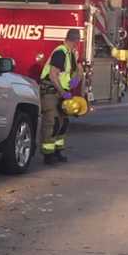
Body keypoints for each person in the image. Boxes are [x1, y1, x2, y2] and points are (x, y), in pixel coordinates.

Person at [39, 29, 83, 164]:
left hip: (62, 92)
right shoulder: (60, 52)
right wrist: (63, 92)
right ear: (75, 40)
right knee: (52, 122)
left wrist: (76, 80)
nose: (78, 44)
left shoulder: (71, 53)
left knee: (63, 123)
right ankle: (48, 154)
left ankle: (57, 151)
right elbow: (53, 75)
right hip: (52, 92)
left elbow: (78, 71)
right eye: (78, 41)